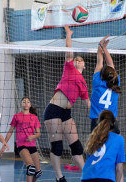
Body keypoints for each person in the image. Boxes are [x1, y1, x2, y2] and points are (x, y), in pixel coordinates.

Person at [43, 26, 90, 182]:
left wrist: (102, 116)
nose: (77, 61)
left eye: (81, 60)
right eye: (76, 59)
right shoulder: (69, 69)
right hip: (54, 110)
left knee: (76, 147)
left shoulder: (83, 83)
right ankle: (59, 177)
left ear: (84, 65)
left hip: (66, 114)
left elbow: (88, 103)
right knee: (57, 146)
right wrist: (68, 35)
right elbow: (69, 51)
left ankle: (87, 175)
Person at [0, 97, 42, 182]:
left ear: (30, 105)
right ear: (21, 104)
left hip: (32, 145)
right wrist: (4, 145)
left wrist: (33, 136)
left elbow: (39, 133)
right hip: (22, 145)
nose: (26, 103)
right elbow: (10, 131)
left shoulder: (34, 117)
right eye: (24, 102)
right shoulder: (17, 116)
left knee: (38, 172)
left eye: (28, 102)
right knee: (31, 167)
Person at [81, 110, 125, 182]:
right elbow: (119, 169)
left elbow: (88, 159)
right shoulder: (119, 139)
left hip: (86, 178)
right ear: (114, 123)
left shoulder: (92, 137)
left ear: (98, 123)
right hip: (105, 178)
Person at [89, 35, 121, 133]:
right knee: (111, 147)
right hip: (111, 122)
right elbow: (110, 64)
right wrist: (104, 48)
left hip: (97, 121)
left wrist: (100, 46)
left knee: (96, 147)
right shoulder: (116, 84)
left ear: (102, 76)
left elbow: (100, 62)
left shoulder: (97, 83)